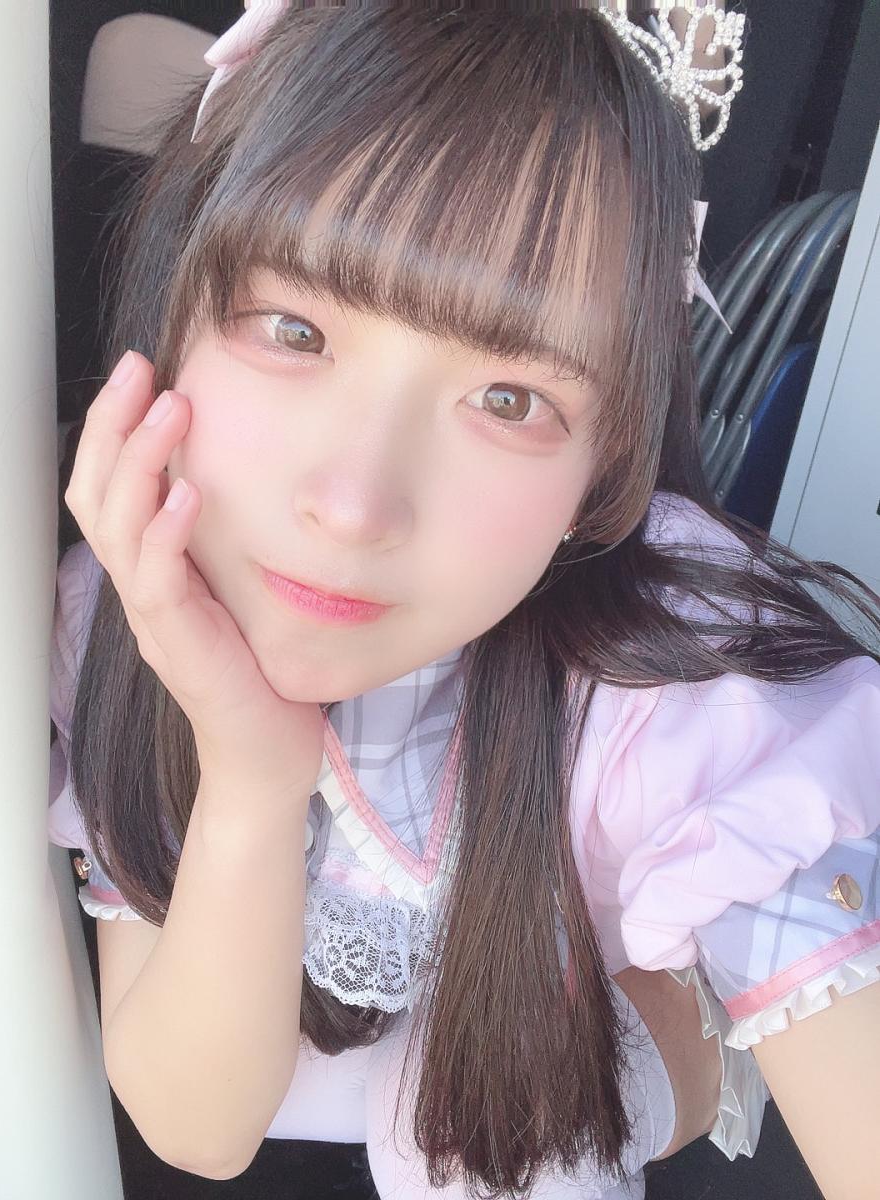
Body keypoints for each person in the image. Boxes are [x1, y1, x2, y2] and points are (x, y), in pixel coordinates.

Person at [47, 5, 879, 1199]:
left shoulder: (682, 688)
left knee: (473, 1130)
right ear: (170, 313)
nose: (354, 505)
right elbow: (198, 1126)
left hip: (574, 1058)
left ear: (605, 467)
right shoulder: (130, 605)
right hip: (297, 1070)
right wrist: (250, 776)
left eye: (508, 400)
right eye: (294, 330)